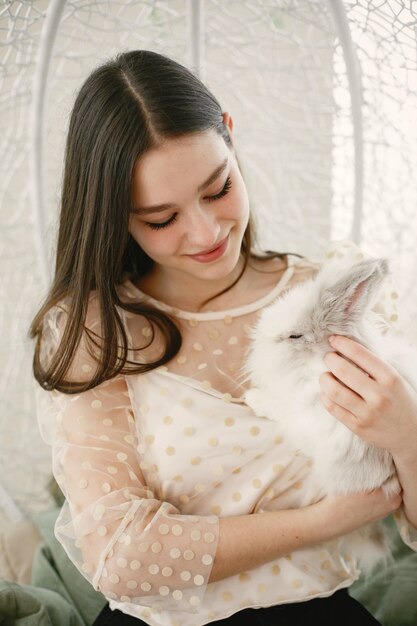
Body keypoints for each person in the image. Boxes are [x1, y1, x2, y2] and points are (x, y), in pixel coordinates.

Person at [31, 50, 417, 626]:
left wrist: (407, 434)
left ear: (230, 138)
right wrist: (325, 522)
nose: (207, 233)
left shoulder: (329, 295)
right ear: (115, 215)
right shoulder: (96, 329)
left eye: (218, 189)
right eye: (161, 220)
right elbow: (121, 558)